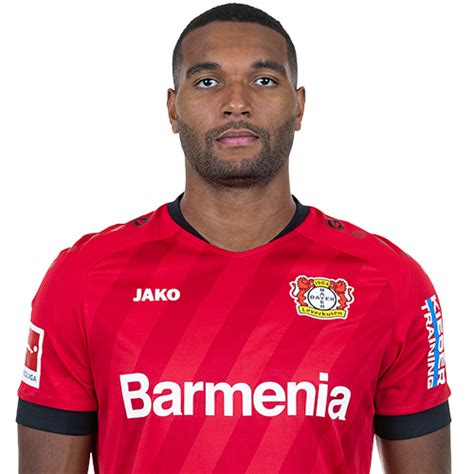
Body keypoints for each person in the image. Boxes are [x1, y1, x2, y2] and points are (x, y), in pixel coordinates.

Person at [16, 3, 451, 473]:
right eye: (208, 81)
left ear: (299, 106)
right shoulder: (83, 279)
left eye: (264, 80)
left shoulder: (390, 282)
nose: (236, 103)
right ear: (173, 109)